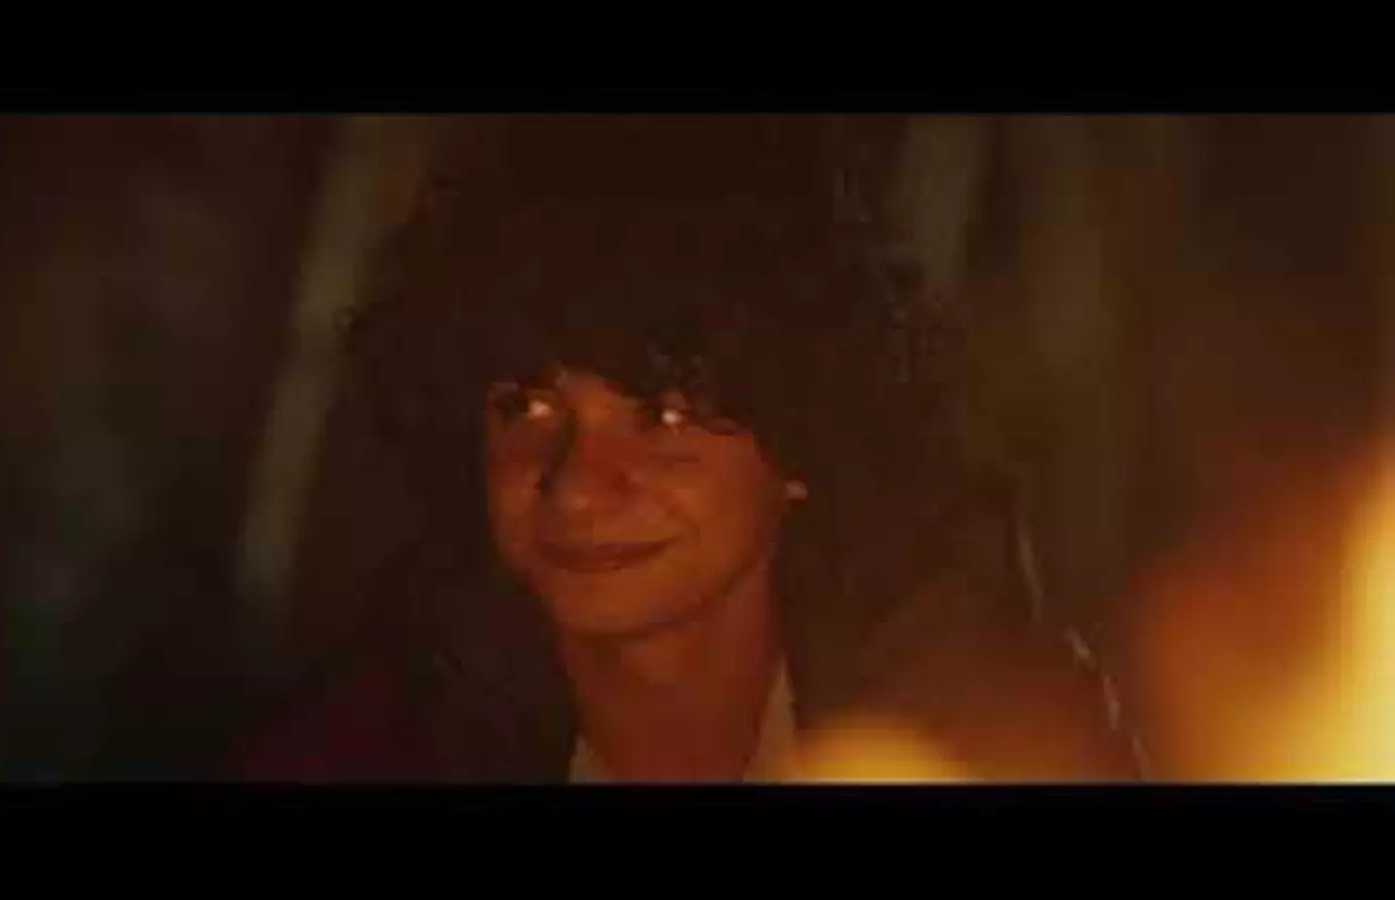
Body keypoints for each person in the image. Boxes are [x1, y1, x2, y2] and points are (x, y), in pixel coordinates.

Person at [234, 116, 1137, 783]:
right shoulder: (363, 756)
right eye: (526, 407)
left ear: (803, 440)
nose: (576, 487)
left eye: (662, 418)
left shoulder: (988, 739)